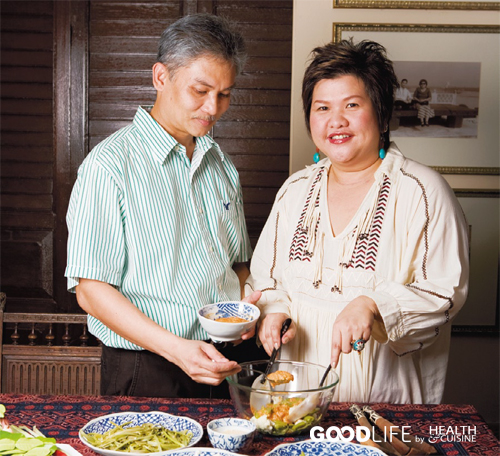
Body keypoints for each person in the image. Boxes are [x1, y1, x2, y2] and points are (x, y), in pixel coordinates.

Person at [246, 40, 469, 404]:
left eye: (352, 104)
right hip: (294, 397)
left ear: (382, 115)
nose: (336, 120)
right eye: (322, 108)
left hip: (386, 398)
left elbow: (445, 294)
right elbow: (267, 279)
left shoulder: (422, 191)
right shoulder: (294, 190)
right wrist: (273, 312)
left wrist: (372, 305)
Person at [65, 13, 266, 399]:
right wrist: (176, 349)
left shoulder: (221, 164)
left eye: (225, 94)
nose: (213, 108)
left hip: (225, 358)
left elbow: (237, 264)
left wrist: (246, 309)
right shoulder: (109, 165)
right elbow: (90, 290)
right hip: (147, 366)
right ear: (161, 77)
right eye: (201, 90)